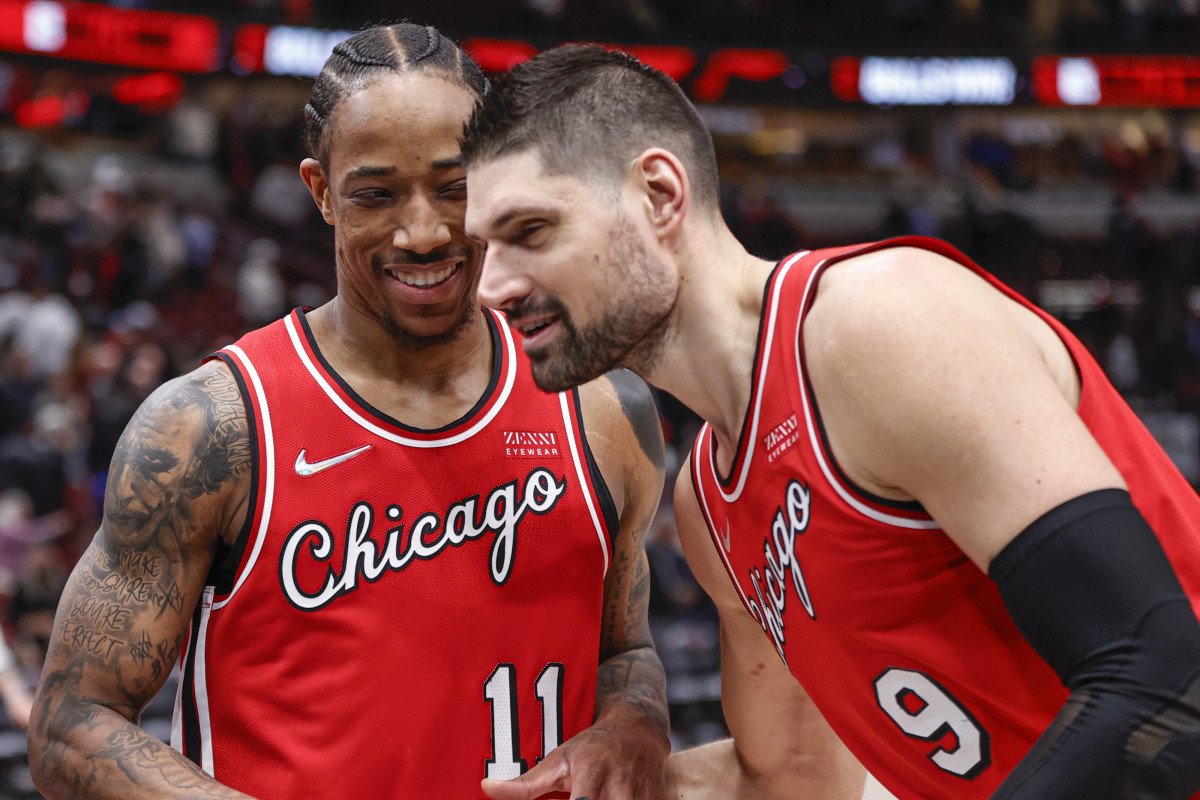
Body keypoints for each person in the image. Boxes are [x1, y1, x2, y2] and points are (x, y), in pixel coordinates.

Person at [461, 44, 1200, 800]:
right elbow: (795, 776)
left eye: (531, 231)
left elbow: (1169, 680)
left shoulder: (877, 324)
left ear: (658, 195)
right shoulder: (708, 507)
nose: (491, 287)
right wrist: (616, 771)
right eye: (485, 248)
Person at [27, 25, 671, 800]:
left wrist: (635, 720)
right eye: (377, 194)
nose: (423, 232)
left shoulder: (602, 406)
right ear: (322, 191)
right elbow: (71, 721)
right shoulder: (210, 428)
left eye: (453, 185)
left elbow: (626, 650)